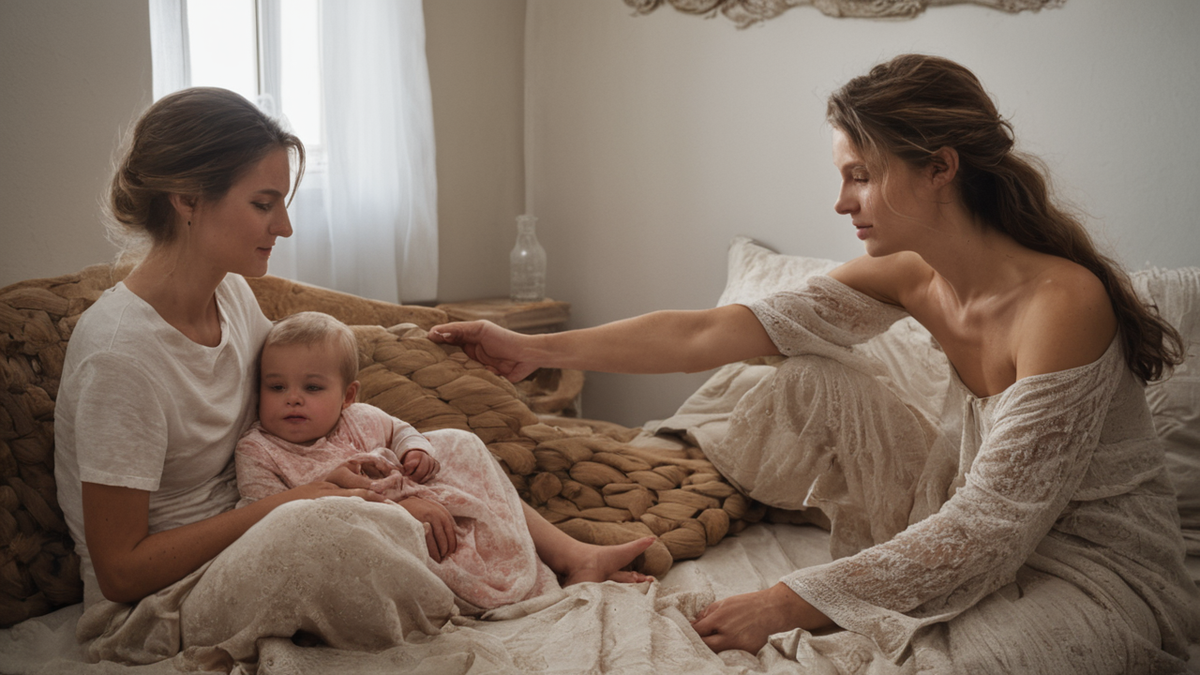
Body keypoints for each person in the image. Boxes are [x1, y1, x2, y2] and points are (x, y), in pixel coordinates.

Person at [429, 54, 1200, 673]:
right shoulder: (910, 279)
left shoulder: (1063, 301)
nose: (841, 201)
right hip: (974, 523)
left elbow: (990, 528)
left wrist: (790, 599)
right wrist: (534, 348)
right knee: (809, 373)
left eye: (860, 174)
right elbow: (705, 334)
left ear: (940, 167)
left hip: (1090, 570)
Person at [53, 87, 652, 663]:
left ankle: (569, 556)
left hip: (269, 519)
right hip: (163, 603)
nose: (283, 227)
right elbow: (121, 571)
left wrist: (395, 459)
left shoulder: (229, 297)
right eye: (263, 204)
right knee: (329, 529)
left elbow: (314, 387)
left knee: (447, 446)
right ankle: (479, 594)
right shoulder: (121, 356)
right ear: (186, 199)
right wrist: (305, 503)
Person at [236, 311, 648, 609]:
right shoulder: (259, 449)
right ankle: (469, 583)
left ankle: (555, 554)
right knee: (356, 529)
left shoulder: (360, 419)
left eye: (311, 387)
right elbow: (270, 519)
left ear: (347, 397)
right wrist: (394, 506)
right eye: (276, 386)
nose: (292, 398)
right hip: (352, 526)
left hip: (416, 494)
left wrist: (415, 452)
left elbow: (400, 430)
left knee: (458, 441)